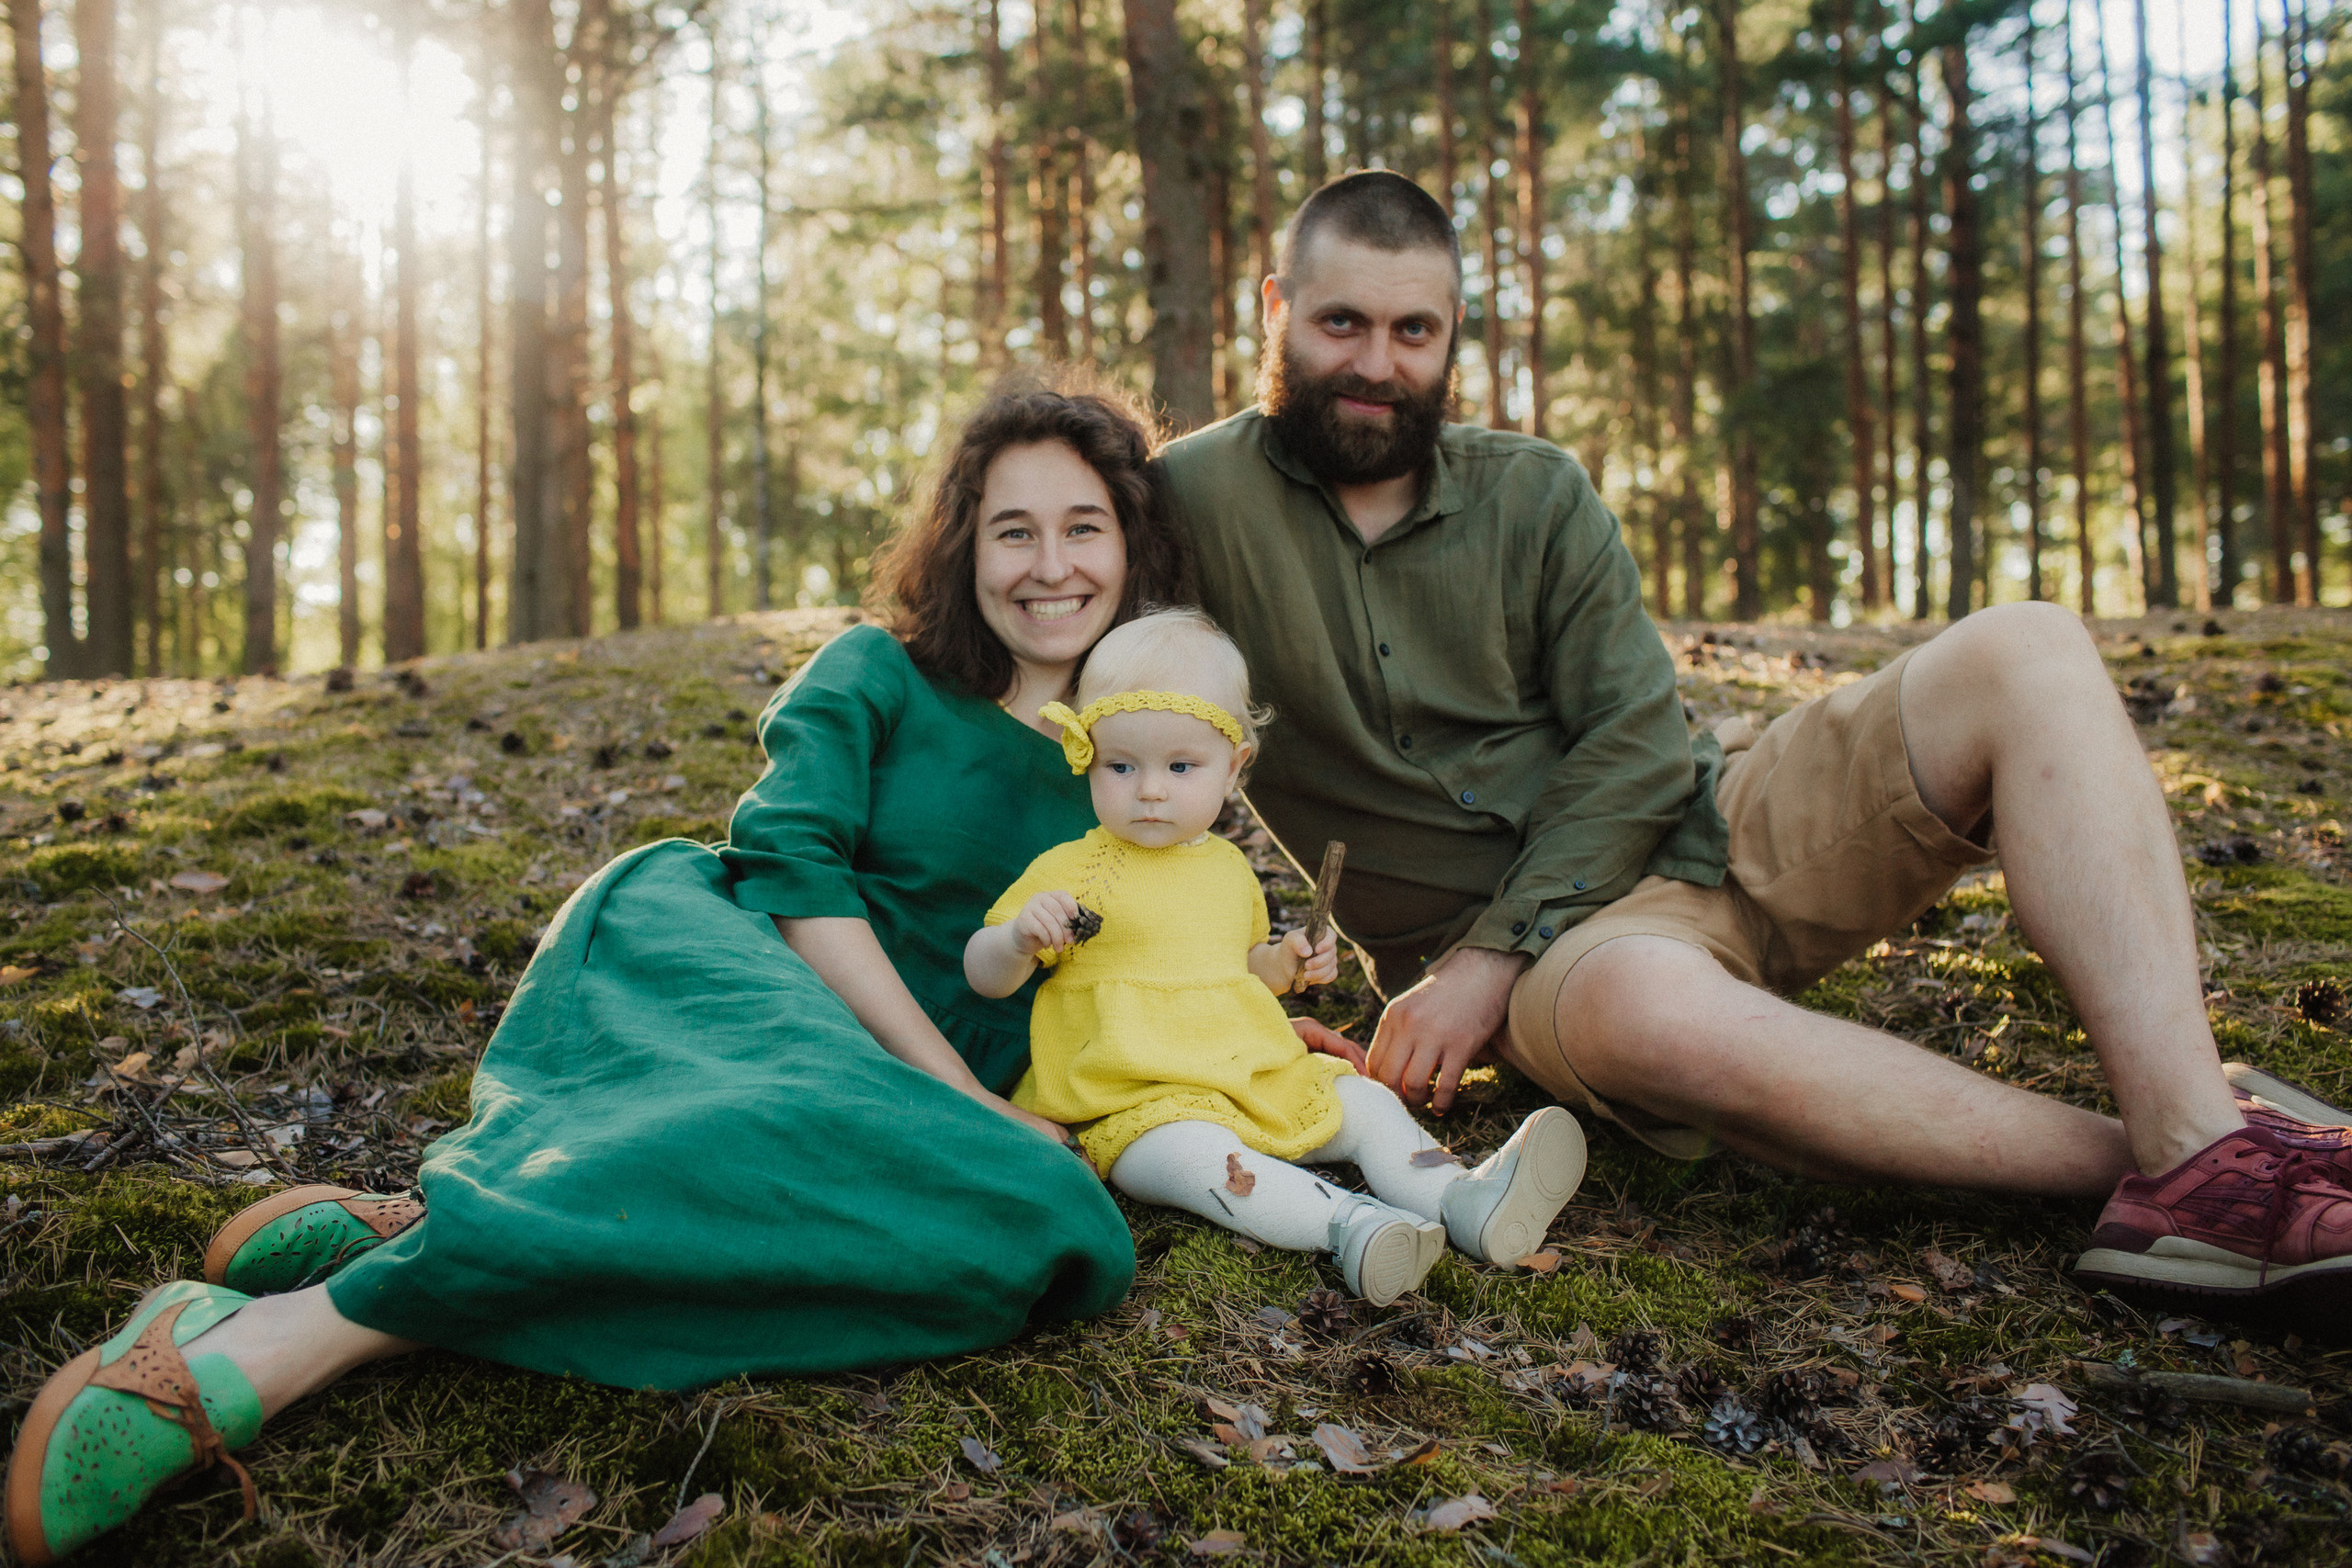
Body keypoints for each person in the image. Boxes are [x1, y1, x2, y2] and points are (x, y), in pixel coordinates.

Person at [4, 378, 1189, 1565]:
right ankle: (280, 1339)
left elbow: (1166, 961)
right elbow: (797, 873)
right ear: (964, 544)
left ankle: (451, 1215)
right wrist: (955, 1092)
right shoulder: (879, 672)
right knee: (782, 1117)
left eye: (1084, 525)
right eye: (1012, 528)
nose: (1051, 564)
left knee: (1058, 1228)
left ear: (1131, 539)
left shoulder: (1144, 763)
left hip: (913, 1101)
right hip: (748, 979)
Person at [1158, 169, 2352, 1330]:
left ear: (1454, 329)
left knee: (2026, 648)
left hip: (1710, 819)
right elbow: (1071, 685)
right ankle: (2198, 1165)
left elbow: (1635, 741)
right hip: (1559, 970)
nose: (1377, 363)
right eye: (1341, 322)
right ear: (1277, 309)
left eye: (1413, 328)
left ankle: (2196, 1129)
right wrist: (1436, 970)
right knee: (1647, 1002)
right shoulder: (1189, 505)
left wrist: (1482, 960)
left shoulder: (1536, 494)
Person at [965, 609, 1588, 1306]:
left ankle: (1461, 1199)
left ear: (1234, 766)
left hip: (1248, 1072)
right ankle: (1351, 1226)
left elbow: (1242, 969)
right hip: (1137, 1100)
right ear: (1087, 754)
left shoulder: (1229, 869)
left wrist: (1287, 963)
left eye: (1180, 765)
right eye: (1121, 764)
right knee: (1200, 1162)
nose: (1149, 789)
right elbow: (985, 975)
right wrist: (1016, 938)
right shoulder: (1073, 870)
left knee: (1360, 1101)